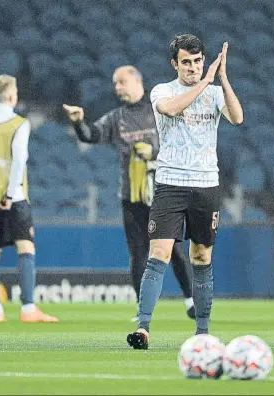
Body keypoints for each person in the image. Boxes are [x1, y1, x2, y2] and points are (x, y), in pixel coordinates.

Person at [127, 34, 244, 350]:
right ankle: (143, 328)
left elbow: (237, 117)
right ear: (174, 64)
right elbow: (169, 109)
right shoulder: (162, 91)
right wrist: (205, 82)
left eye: (197, 61)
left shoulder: (215, 91)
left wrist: (222, 79)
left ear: (203, 60)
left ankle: (202, 333)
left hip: (206, 185)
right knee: (159, 254)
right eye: (186, 62)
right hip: (170, 184)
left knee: (201, 256)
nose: (193, 67)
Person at [62, 66, 195, 320]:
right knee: (138, 253)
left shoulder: (159, 111)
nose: (117, 87)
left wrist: (154, 154)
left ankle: (190, 301)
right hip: (131, 196)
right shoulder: (116, 117)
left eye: (121, 82)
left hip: (163, 192)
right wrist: (78, 122)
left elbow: (181, 144)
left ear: (137, 80)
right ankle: (142, 308)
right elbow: (92, 136)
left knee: (174, 249)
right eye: (115, 83)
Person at [0, 74, 58, 322]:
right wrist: (8, 194)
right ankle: (28, 308)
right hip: (13, 196)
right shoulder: (19, 123)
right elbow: (19, 160)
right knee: (25, 247)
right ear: (10, 95)